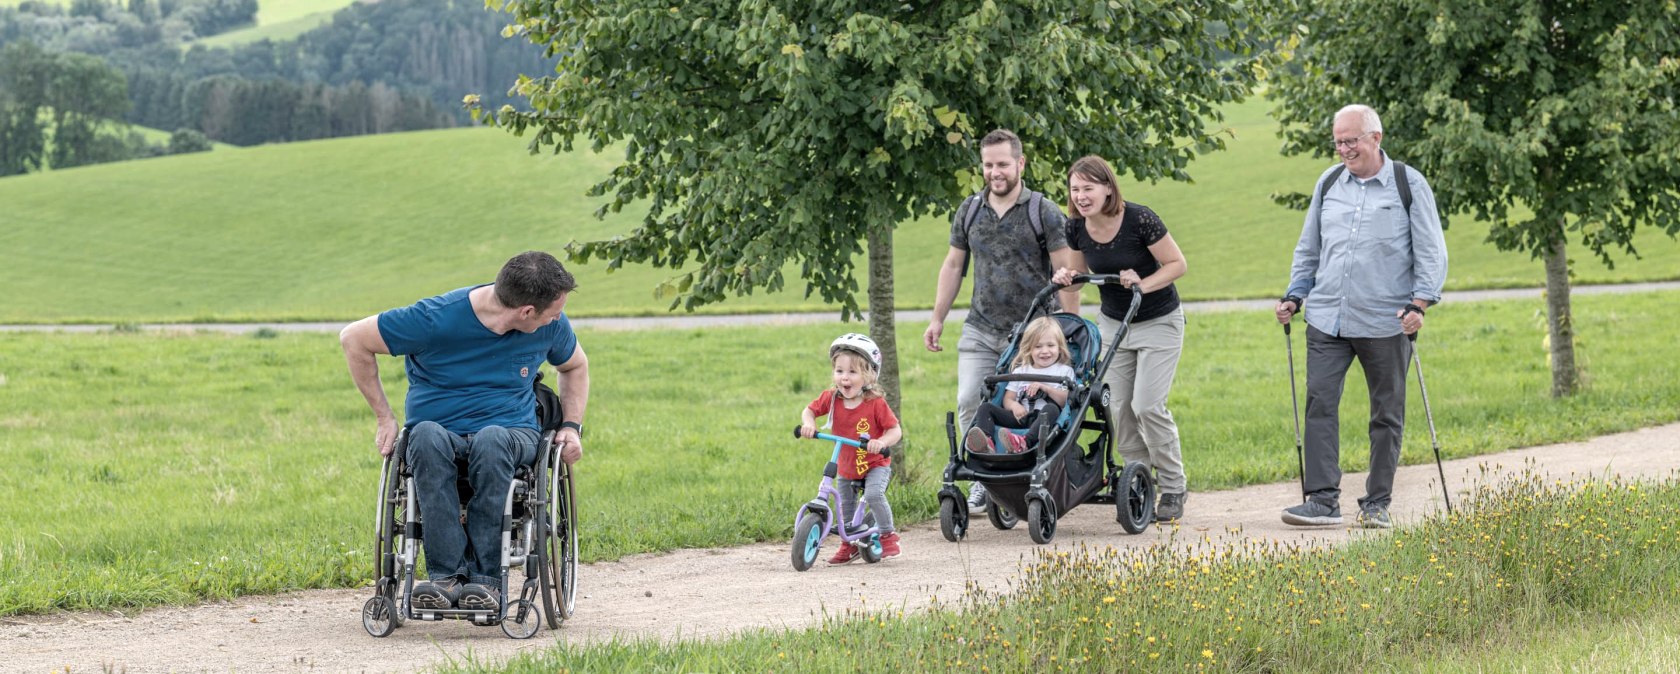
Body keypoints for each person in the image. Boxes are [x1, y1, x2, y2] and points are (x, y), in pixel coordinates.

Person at [340, 251, 589, 610]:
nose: (558, 317)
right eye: (553, 311)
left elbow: (575, 365)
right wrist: (384, 417)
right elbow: (353, 339)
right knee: (423, 436)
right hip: (439, 433)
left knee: (492, 439)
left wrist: (570, 425)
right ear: (526, 312)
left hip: (510, 433)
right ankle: (444, 577)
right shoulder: (435, 319)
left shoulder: (550, 325)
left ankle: (485, 582)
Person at [1275, 104, 1448, 529]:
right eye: (1338, 141)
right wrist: (1295, 295)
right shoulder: (1329, 182)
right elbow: (1309, 247)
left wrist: (1420, 304)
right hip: (1327, 317)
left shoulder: (1408, 184)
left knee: (1386, 413)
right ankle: (1321, 500)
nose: (1344, 149)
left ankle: (1376, 503)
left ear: (1376, 137)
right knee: (1319, 403)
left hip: (1386, 321)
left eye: (1351, 140)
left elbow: (1432, 251)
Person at [924, 128, 1076, 511]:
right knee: (968, 400)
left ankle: (1024, 474)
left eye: (1003, 164)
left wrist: (1070, 328)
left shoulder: (1043, 211)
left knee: (1021, 405)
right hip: (981, 326)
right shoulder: (970, 210)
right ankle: (982, 479)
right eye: (989, 164)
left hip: (1031, 334)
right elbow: (954, 264)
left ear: (1020, 163)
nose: (996, 172)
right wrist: (937, 318)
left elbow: (1066, 272)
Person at [1051, 155, 1190, 522]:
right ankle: (1139, 480)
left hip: (1159, 320)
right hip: (1115, 323)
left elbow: (1177, 264)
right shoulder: (1075, 227)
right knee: (1116, 406)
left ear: (1108, 187)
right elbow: (1079, 273)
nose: (1081, 196)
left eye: (1088, 188)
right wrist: (1068, 279)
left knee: (1147, 405)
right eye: (1075, 189)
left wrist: (1142, 284)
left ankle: (1174, 485)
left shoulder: (1139, 219)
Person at [799, 333, 904, 563]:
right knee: (845, 508)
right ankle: (849, 545)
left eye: (852, 372)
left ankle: (887, 535)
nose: (844, 378)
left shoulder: (875, 403)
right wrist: (809, 424)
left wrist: (881, 442)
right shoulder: (832, 398)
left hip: (875, 464)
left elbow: (895, 431)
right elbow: (809, 410)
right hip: (847, 465)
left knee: (874, 494)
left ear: (869, 376)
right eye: (839, 371)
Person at [963, 316, 1076, 454]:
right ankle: (986, 443)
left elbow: (1065, 400)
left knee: (1052, 408)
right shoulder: (1021, 371)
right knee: (985, 408)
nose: (1045, 351)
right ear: (1029, 349)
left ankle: (1024, 442)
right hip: (1020, 416)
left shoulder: (1064, 371)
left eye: (1051, 345)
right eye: (1038, 346)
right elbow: (1007, 399)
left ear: (1060, 347)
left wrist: (1045, 388)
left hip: (1044, 419)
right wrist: (1015, 406)